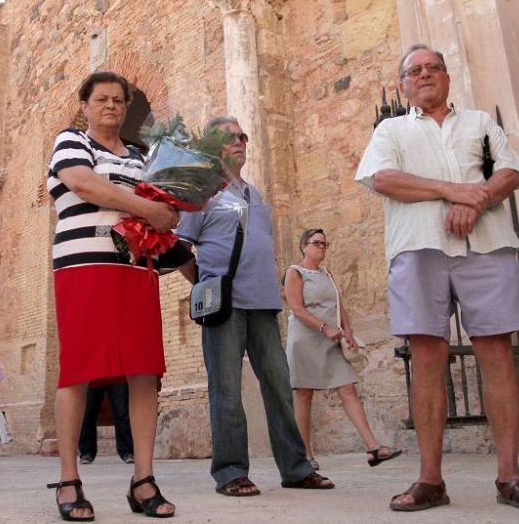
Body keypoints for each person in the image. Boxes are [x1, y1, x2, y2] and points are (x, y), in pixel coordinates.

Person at [355, 44, 519, 512]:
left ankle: (510, 476)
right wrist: (453, 191)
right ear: (403, 85)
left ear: (447, 76)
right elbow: (383, 180)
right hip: (419, 248)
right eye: (414, 71)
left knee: (497, 352)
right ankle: (430, 480)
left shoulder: (482, 123)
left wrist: (475, 201)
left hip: (486, 245)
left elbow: (509, 173)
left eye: (432, 68)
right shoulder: (391, 129)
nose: (424, 75)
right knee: (425, 356)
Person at [177, 116, 334, 497]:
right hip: (223, 307)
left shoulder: (255, 194)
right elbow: (180, 246)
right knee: (226, 390)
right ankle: (231, 472)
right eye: (230, 138)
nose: (239, 142)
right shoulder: (202, 192)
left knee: (280, 385)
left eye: (243, 136)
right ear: (214, 146)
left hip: (263, 305)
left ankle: (296, 468)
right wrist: (202, 282)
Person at [46, 71, 179, 521]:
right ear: (85, 105)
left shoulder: (143, 155)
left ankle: (143, 480)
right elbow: (83, 184)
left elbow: (166, 206)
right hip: (83, 267)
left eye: (119, 101)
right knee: (78, 369)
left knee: (144, 371)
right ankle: (69, 479)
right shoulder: (71, 142)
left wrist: (172, 215)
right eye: (101, 99)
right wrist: (148, 209)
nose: (111, 107)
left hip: (135, 270)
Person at [285, 228, 402, 470]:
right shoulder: (294, 272)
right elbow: (297, 309)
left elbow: (340, 305)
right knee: (304, 394)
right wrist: (324, 327)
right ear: (303, 246)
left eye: (325, 244)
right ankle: (305, 455)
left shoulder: (327, 274)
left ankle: (373, 448)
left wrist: (347, 330)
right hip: (306, 339)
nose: (321, 247)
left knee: (347, 387)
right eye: (316, 243)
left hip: (332, 338)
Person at [78, 383, 134, 465]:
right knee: (88, 411)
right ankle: (86, 452)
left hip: (117, 373)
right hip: (93, 373)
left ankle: (127, 451)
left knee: (122, 410)